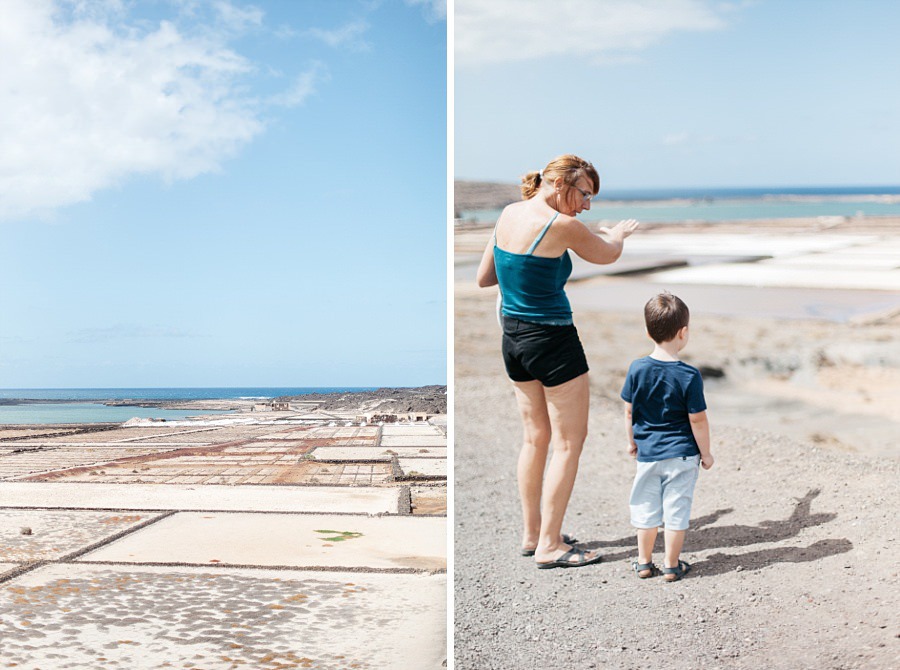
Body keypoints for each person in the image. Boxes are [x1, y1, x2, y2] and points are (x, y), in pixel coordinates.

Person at [476, 154, 639, 569]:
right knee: (569, 442)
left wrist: (524, 270)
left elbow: (484, 277)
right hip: (552, 340)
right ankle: (550, 546)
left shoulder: (509, 214)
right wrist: (617, 234)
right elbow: (606, 256)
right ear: (560, 183)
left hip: (513, 339)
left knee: (535, 439)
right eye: (584, 194)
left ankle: (533, 534)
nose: (586, 206)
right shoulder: (561, 225)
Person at [621, 292, 714, 581]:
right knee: (677, 509)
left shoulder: (637, 368)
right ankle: (672, 565)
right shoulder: (689, 375)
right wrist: (707, 453)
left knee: (646, 508)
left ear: (648, 331)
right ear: (683, 333)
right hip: (683, 454)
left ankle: (643, 562)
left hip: (649, 454)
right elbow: (697, 418)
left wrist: (632, 442)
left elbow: (629, 412)